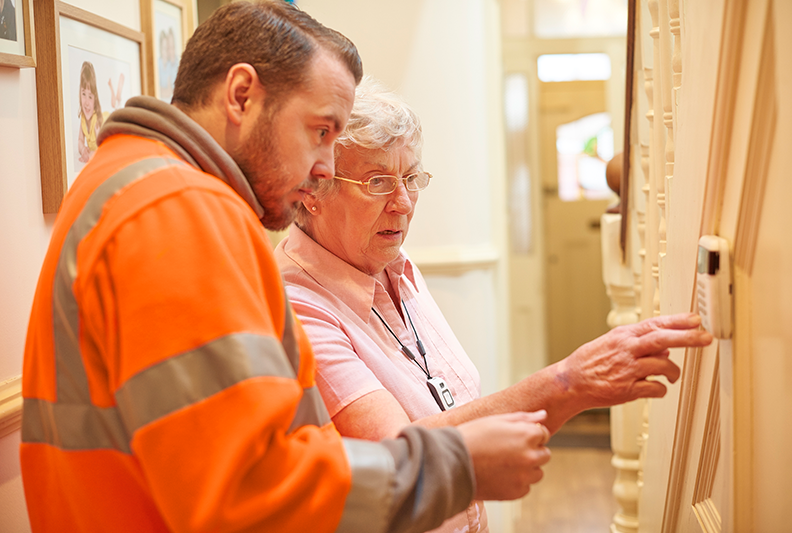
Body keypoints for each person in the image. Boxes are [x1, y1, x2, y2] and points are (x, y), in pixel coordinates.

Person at [20, 3, 551, 533]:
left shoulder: (122, 174)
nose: (325, 166)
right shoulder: (179, 209)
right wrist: (456, 464)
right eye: (320, 131)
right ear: (242, 96)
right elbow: (249, 488)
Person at [274, 78, 714, 532]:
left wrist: (575, 387)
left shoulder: (392, 265)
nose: (403, 203)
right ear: (312, 189)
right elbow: (398, 458)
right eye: (377, 182)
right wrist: (569, 382)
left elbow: (450, 416)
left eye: (411, 178)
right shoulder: (296, 307)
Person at [77, 61, 104, 163]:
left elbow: (102, 149)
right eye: (83, 94)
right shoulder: (83, 118)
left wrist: (90, 155)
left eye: (90, 96)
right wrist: (83, 149)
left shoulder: (96, 121)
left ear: (95, 99)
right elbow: (80, 140)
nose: (87, 102)